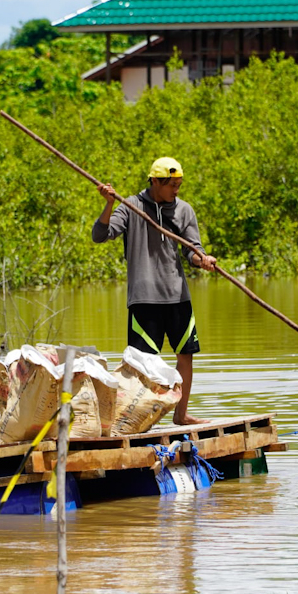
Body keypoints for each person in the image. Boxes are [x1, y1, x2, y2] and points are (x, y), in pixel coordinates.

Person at [92, 156, 217, 426]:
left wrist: (203, 260)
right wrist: (109, 204)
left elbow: (193, 250)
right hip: (144, 298)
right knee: (142, 364)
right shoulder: (131, 207)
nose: (176, 190)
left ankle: (181, 415)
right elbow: (100, 235)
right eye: (172, 185)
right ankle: (139, 421)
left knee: (186, 354)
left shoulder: (184, 210)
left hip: (177, 296)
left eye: (179, 185)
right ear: (156, 182)